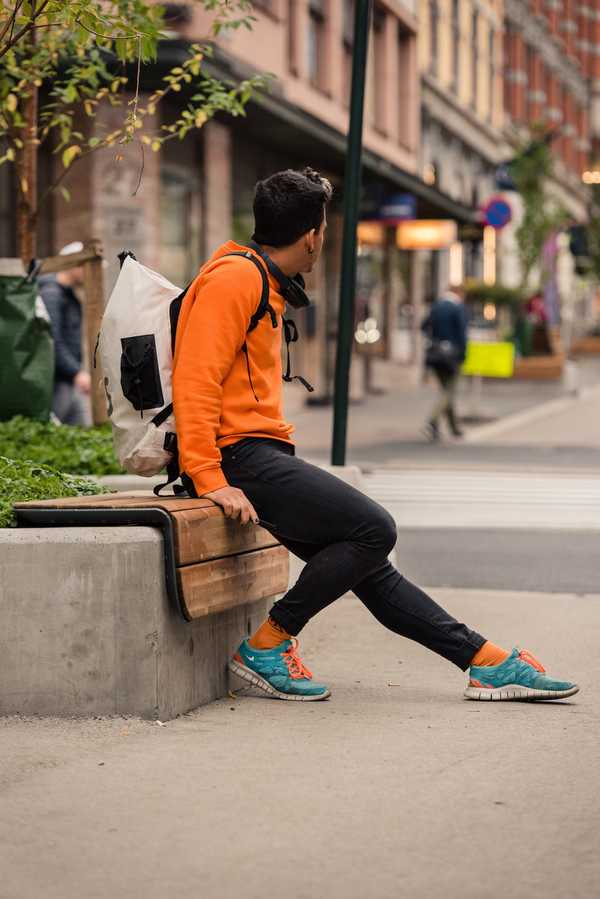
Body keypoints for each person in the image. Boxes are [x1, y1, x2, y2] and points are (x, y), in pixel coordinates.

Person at [172, 167, 578, 704]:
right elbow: (194, 379)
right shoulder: (236, 279)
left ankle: (484, 661)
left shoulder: (260, 280)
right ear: (314, 234)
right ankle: (268, 644)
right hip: (238, 458)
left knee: (371, 569)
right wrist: (208, 476)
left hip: (254, 452)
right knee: (374, 529)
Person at [39, 241, 91, 425]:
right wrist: (76, 372)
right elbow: (52, 340)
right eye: (85, 266)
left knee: (79, 429)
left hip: (67, 379)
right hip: (57, 381)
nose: (88, 273)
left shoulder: (68, 295)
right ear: (74, 265)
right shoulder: (52, 294)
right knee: (52, 433)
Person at [422, 286, 468, 441]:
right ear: (459, 293)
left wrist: (435, 338)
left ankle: (454, 428)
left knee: (446, 391)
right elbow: (462, 333)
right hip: (451, 356)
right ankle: (432, 421)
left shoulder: (436, 306)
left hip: (435, 355)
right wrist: (463, 354)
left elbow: (423, 326)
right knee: (448, 391)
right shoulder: (458, 308)